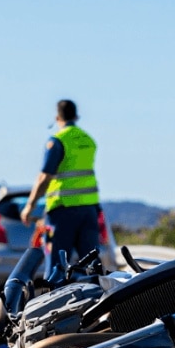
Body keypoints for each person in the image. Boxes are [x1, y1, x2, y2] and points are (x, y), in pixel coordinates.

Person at [21, 99, 101, 266]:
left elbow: (45, 177)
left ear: (57, 117)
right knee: (92, 266)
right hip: (89, 210)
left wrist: (30, 206)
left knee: (58, 266)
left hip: (62, 211)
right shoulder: (89, 140)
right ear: (76, 116)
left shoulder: (58, 140)